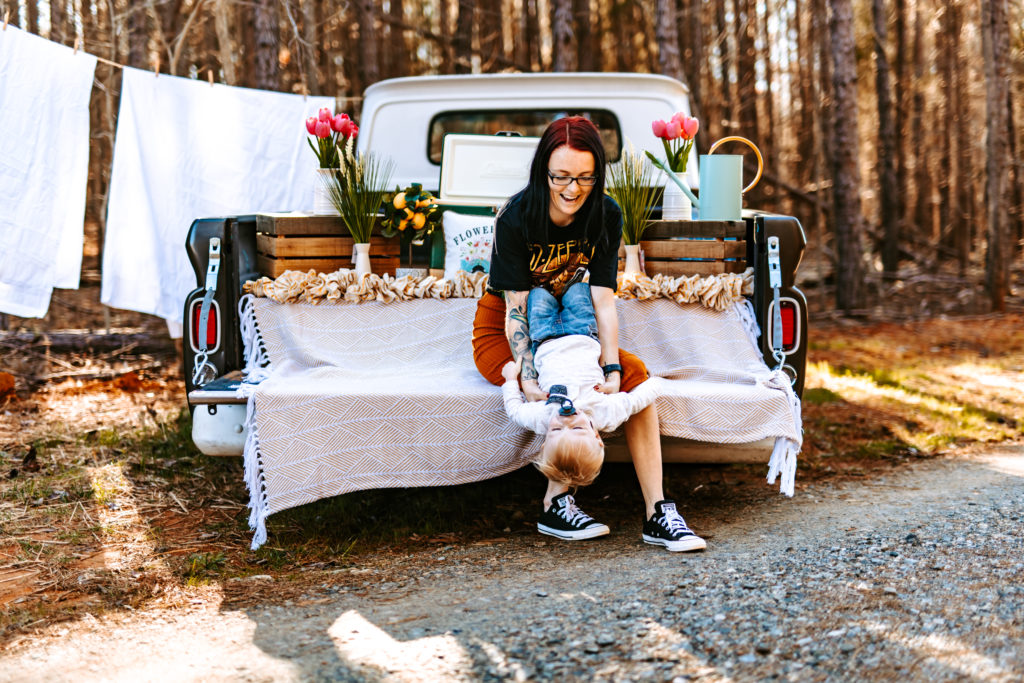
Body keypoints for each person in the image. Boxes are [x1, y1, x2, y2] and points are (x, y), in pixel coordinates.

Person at [472, 115, 705, 552]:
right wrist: (525, 374)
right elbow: (516, 307)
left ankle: (658, 512)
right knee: (555, 389)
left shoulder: (606, 213)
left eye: (584, 177)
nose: (572, 189)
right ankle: (555, 504)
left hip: (575, 327)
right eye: (560, 176)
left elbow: (602, 300)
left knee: (634, 377)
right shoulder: (516, 216)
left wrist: (613, 367)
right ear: (543, 171)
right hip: (506, 329)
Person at [499, 282, 661, 512]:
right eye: (577, 429)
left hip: (544, 337)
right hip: (582, 331)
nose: (566, 422)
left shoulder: (543, 416)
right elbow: (637, 400)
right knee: (577, 290)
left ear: (544, 441)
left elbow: (515, 410)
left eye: (556, 431)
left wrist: (510, 381)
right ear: (597, 436)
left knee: (538, 294)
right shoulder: (605, 412)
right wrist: (655, 381)